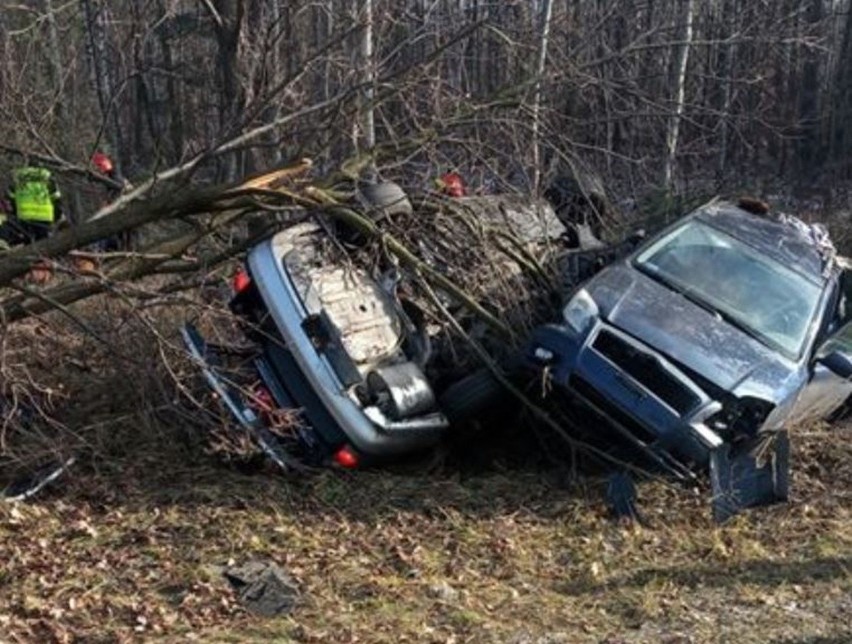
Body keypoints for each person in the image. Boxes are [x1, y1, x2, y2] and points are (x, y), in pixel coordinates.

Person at [0, 165, 62, 250]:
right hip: (45, 219)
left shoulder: (18, 181)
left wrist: (14, 212)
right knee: (42, 245)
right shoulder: (48, 180)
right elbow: (56, 199)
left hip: (25, 218)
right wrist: (56, 216)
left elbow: (11, 200)